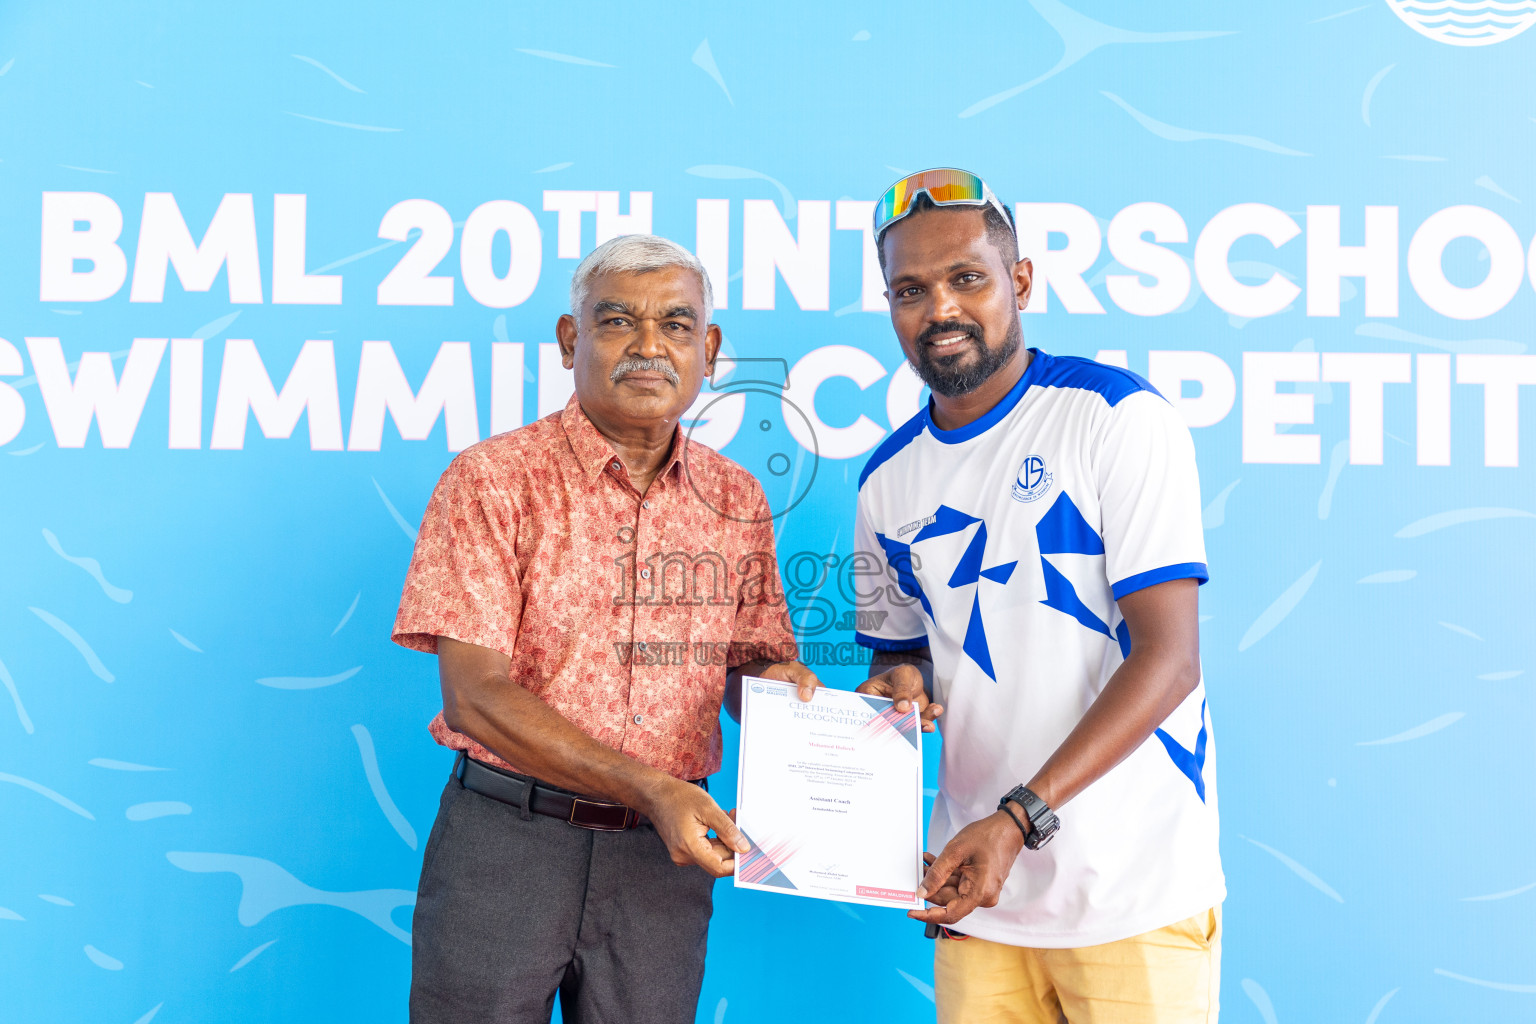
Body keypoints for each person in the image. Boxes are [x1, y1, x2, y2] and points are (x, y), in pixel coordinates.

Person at [391, 233, 818, 1024]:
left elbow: (749, 663)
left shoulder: (739, 497)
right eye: (618, 322)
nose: (649, 346)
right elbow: (474, 698)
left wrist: (779, 688)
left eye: (677, 325)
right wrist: (650, 788)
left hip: (662, 863)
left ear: (710, 349)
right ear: (569, 339)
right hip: (506, 843)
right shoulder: (491, 480)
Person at [853, 169, 1223, 1023]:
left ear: (1019, 282)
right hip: (980, 900)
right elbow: (902, 653)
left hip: (1132, 891)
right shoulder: (883, 483)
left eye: (966, 278)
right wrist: (898, 691)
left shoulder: (1116, 418)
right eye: (911, 290)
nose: (939, 308)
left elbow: (1169, 661)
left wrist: (1018, 818)